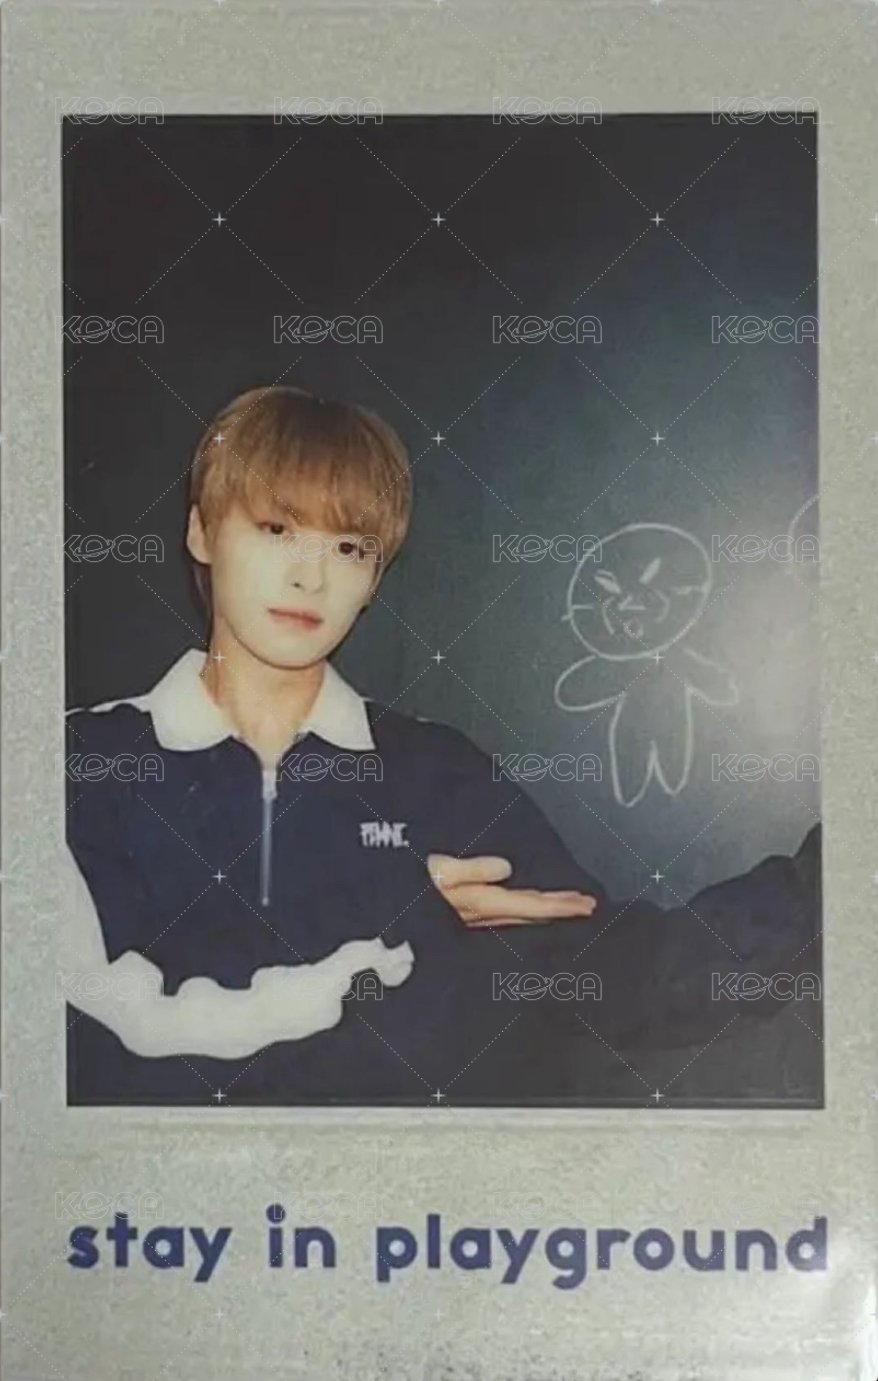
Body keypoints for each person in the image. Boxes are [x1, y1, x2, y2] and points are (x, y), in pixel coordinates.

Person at [63, 385, 821, 1105]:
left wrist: (827, 884)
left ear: (374, 576)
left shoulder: (435, 773)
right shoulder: (80, 765)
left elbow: (616, 975)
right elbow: (97, 1051)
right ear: (201, 531)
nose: (310, 577)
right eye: (276, 529)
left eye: (350, 547)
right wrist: (393, 910)